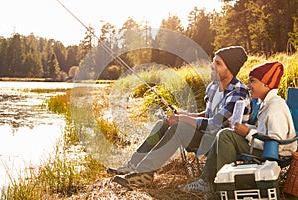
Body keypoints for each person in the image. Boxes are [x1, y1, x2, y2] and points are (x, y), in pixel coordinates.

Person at [110, 46, 251, 188]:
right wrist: (183, 114)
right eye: (214, 61)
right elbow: (207, 116)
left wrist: (181, 120)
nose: (212, 65)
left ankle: (143, 174)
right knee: (163, 124)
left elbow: (214, 124)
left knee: (179, 128)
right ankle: (133, 165)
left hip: (221, 143)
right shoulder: (213, 87)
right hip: (206, 136)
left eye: (218, 63)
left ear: (230, 70)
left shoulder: (238, 93)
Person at [182, 61, 297, 193]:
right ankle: (207, 180)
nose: (249, 86)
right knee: (224, 133)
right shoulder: (266, 103)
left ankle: (222, 187)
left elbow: (275, 143)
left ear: (266, 84)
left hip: (276, 154)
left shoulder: (275, 107)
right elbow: (264, 133)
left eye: (252, 81)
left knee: (226, 136)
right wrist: (246, 128)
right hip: (266, 147)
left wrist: (248, 133)